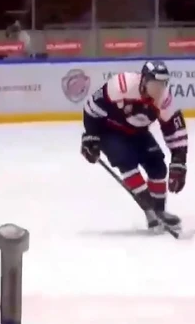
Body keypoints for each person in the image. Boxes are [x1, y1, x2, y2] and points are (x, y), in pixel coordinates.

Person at [80, 60, 189, 231]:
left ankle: (159, 212)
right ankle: (150, 212)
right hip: (110, 131)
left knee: (158, 166)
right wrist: (91, 136)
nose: (158, 90)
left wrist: (179, 161)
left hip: (138, 132)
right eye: (154, 84)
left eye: (162, 84)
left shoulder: (164, 99)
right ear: (143, 80)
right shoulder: (121, 85)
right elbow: (91, 108)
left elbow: (174, 131)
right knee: (125, 160)